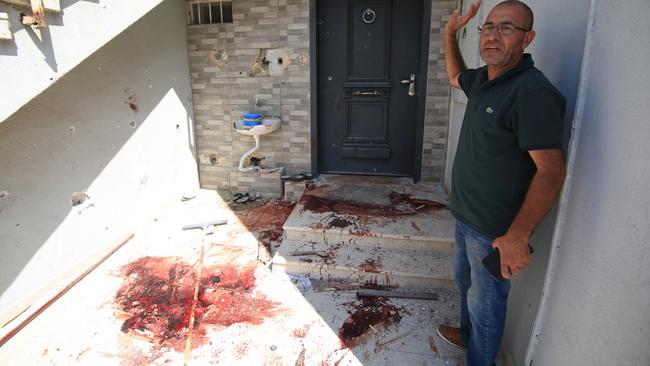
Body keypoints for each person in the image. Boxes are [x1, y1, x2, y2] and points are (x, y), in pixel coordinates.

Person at [437, 1, 567, 365]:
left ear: (528, 39)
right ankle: (466, 338)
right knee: (464, 284)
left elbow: (552, 171)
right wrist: (449, 33)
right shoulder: (483, 79)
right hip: (465, 215)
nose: (493, 34)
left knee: (486, 304)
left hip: (492, 229)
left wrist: (517, 236)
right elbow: (453, 76)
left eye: (506, 28)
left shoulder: (532, 93)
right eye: (488, 26)